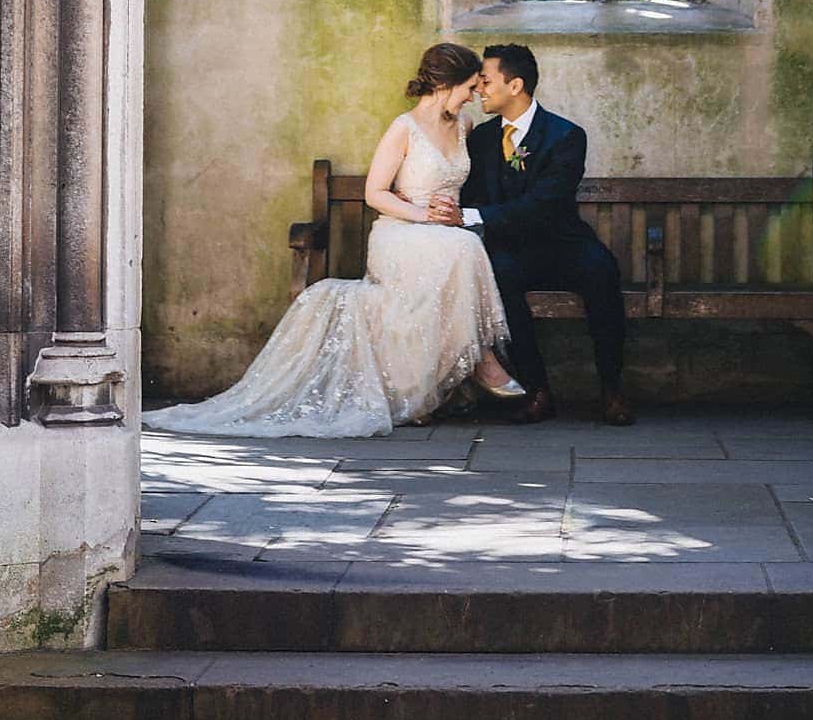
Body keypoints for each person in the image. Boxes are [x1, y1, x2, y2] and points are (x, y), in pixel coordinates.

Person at [142, 43, 523, 438]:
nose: (473, 96)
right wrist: (422, 214)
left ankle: (418, 393)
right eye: (469, 87)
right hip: (401, 233)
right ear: (446, 84)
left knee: (458, 248)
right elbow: (376, 193)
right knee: (463, 247)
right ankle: (481, 361)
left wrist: (449, 216)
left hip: (442, 235)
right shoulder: (404, 128)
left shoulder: (465, 127)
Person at [438, 43, 636, 426]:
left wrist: (470, 215)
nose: (479, 90)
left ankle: (611, 389)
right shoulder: (480, 140)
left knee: (602, 272)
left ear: (515, 86)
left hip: (564, 244)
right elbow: (469, 191)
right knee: (500, 279)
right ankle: (537, 390)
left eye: (486, 81)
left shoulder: (566, 136)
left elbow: (545, 204)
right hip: (510, 249)